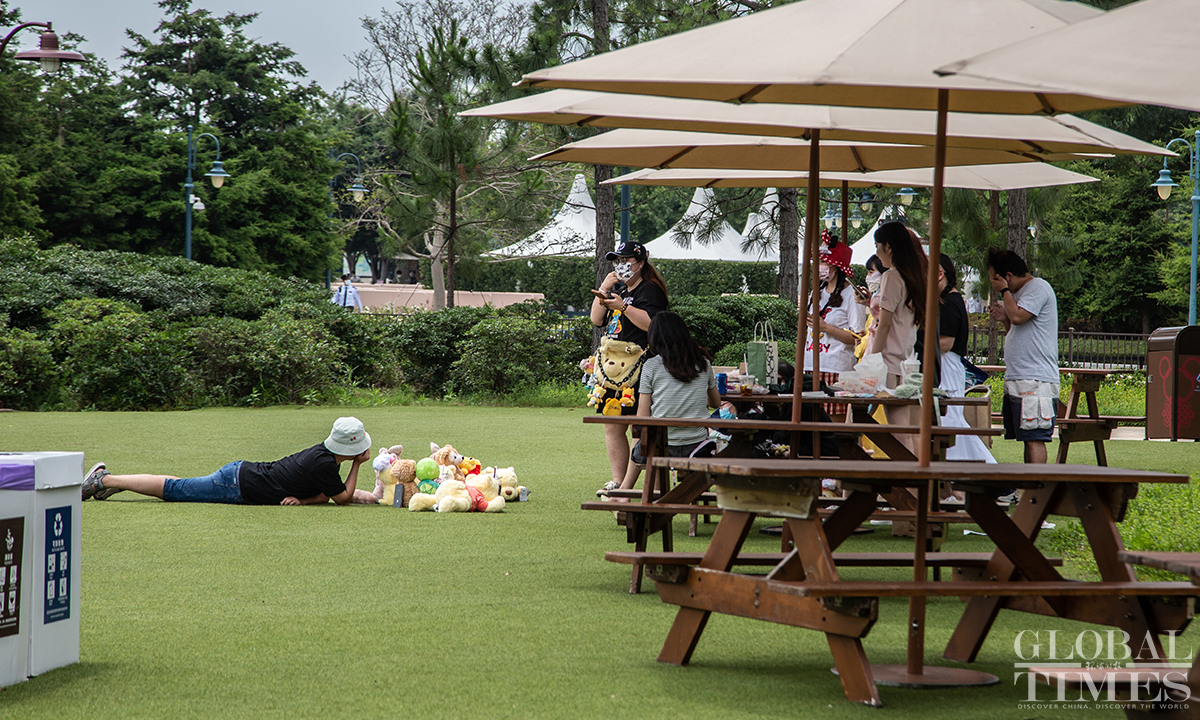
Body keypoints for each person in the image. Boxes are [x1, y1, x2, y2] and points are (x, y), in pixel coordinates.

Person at [81, 417, 374, 506]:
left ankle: (118, 484)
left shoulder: (324, 457)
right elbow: (343, 498)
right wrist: (357, 465)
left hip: (242, 475)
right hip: (237, 485)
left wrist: (302, 500)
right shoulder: (326, 464)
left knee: (180, 486)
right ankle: (103, 480)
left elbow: (325, 495)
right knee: (175, 489)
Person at [611, 311, 721, 495]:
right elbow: (716, 403)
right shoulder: (703, 364)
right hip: (697, 446)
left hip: (661, 448)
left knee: (646, 442)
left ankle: (640, 494)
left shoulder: (651, 366)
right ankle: (646, 495)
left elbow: (643, 416)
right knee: (651, 443)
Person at [590, 241, 669, 492]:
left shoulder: (650, 290)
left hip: (639, 367)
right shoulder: (621, 290)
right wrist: (604, 289)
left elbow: (652, 325)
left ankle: (636, 484)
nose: (621, 266)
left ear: (641, 263)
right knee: (613, 424)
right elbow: (596, 319)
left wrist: (623, 307)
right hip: (613, 369)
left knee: (638, 427)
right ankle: (618, 480)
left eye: (626, 261)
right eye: (617, 261)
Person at [988, 248, 1059, 464]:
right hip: (1020, 377)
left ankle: (1037, 483)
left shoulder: (1038, 288)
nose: (992, 284)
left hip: (1035, 379)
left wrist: (1004, 292)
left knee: (1035, 437)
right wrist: (1004, 319)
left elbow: (1018, 317)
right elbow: (1016, 330)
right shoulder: (1019, 295)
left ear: (1007, 276)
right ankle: (1028, 482)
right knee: (1026, 438)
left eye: (995, 279)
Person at [928, 254, 996, 467]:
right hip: (946, 365)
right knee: (951, 422)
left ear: (939, 274)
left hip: (946, 366)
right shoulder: (949, 300)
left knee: (950, 422)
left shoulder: (949, 303)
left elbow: (945, 343)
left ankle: (978, 470)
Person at [804, 232, 865, 418]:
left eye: (823, 262)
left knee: (832, 425)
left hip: (836, 369)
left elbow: (858, 338)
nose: (819, 266)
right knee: (811, 422)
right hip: (811, 366)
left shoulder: (852, 296)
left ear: (836, 266)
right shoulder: (817, 291)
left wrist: (825, 328)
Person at [871, 222, 927, 387]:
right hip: (907, 361)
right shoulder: (914, 278)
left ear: (888, 247)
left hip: (888, 363)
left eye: (877, 247)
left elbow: (885, 324)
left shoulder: (891, 277)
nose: (877, 254)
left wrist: (872, 360)